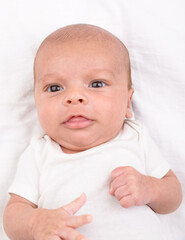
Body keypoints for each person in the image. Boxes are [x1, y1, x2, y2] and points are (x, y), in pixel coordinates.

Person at [3, 24, 182, 240]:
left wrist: (150, 188)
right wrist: (35, 223)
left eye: (96, 84)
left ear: (127, 102)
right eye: (54, 88)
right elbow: (14, 213)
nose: (75, 97)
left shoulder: (135, 136)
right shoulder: (40, 152)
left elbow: (174, 195)